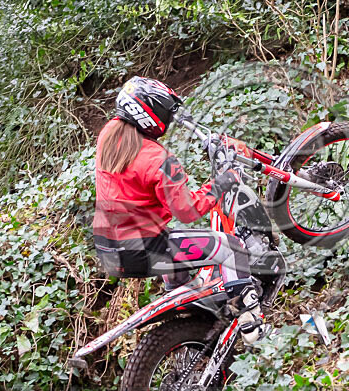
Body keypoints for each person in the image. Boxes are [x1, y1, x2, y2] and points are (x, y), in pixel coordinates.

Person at [92, 76, 265, 343]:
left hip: (109, 249)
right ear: (152, 117)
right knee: (232, 247)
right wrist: (222, 182)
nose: (170, 121)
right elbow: (187, 210)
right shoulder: (158, 160)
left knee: (174, 249)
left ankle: (188, 315)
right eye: (166, 115)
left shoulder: (109, 135)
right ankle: (253, 327)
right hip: (143, 249)